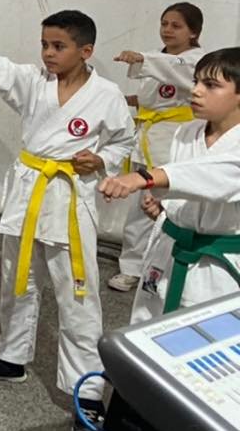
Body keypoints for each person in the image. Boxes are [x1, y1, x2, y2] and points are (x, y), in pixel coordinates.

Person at [0, 10, 133, 424]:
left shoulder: (107, 94)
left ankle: (87, 390)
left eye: (59, 46)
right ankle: (11, 356)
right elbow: (1, 70)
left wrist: (101, 159)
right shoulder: (34, 81)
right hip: (29, 192)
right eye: (44, 45)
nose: (48, 54)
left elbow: (124, 140)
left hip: (68, 198)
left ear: (86, 51)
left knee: (77, 296)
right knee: (17, 279)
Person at [100, 47, 240, 322]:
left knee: (204, 334)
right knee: (148, 326)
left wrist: (146, 178)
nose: (196, 91)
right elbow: (185, 189)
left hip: (216, 266)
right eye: (196, 82)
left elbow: (216, 176)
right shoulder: (186, 132)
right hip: (169, 251)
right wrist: (165, 209)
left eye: (211, 85)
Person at [108, 2, 205, 291]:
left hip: (175, 142)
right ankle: (132, 267)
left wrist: (141, 57)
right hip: (147, 139)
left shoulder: (197, 61)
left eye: (176, 25)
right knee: (139, 209)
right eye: (164, 24)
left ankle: (169, 267)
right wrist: (125, 99)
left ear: (194, 32)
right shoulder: (157, 58)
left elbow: (177, 71)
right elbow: (154, 99)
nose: (167, 30)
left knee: (170, 207)